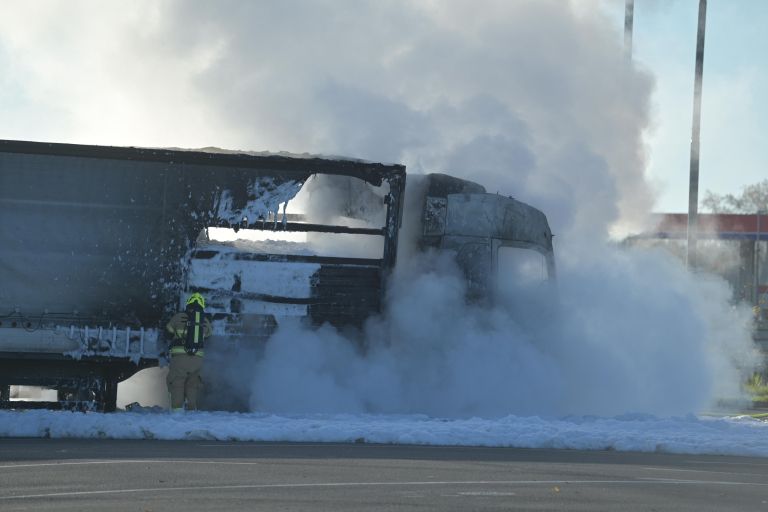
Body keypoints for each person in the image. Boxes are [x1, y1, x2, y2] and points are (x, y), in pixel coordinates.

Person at [165, 292, 212, 411]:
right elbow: (208, 335)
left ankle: (177, 411)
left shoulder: (178, 317)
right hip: (197, 360)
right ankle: (191, 410)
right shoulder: (205, 321)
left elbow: (168, 330)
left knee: (177, 382)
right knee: (192, 385)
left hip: (180, 358)